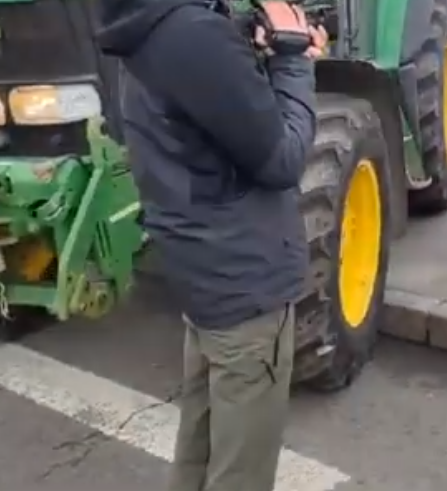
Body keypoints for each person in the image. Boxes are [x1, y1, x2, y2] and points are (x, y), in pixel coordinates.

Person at [96, 1, 325, 490]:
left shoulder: (145, 25)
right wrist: (293, 60)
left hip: (204, 276)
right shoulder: (195, 35)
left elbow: (206, 120)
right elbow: (283, 158)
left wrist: (251, 51)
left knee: (198, 453)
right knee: (241, 471)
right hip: (247, 284)